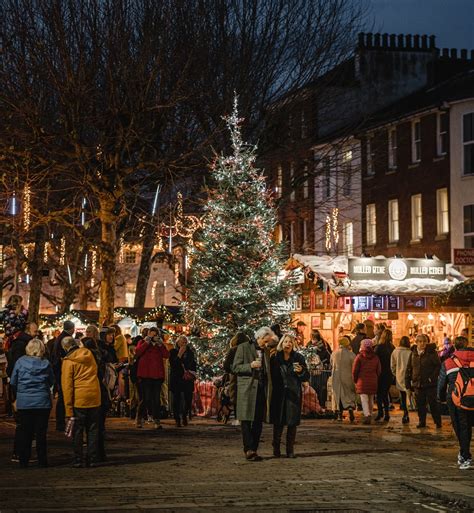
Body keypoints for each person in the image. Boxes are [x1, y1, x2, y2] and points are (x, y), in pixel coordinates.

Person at [232, 326, 277, 461]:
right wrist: (250, 366)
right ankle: (248, 449)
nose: (267, 344)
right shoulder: (244, 347)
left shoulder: (267, 351)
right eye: (266, 341)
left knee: (258, 421)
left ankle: (254, 449)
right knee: (245, 420)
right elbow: (235, 367)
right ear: (260, 338)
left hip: (261, 390)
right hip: (247, 389)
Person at [10, 339, 54, 468]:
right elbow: (51, 381)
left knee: (25, 432)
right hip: (42, 402)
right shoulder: (46, 363)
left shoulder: (20, 362)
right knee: (41, 433)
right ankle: (42, 460)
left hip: (24, 403)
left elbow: (13, 381)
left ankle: (24, 460)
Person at [61, 336, 101, 467]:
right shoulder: (89, 354)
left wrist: (68, 409)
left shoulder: (68, 361)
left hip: (79, 399)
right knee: (93, 429)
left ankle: (78, 459)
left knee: (78, 431)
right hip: (94, 396)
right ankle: (93, 458)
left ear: (65, 348)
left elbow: (67, 387)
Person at [270, 333, 309, 458]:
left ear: (294, 344)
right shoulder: (275, 357)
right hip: (279, 394)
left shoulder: (298, 358)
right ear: (282, 343)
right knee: (279, 422)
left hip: (293, 393)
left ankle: (290, 450)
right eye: (286, 341)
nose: (288, 344)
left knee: (292, 423)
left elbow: (306, 376)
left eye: (290, 342)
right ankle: (276, 447)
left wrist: (301, 371)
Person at [438, 336, 474, 470]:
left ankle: (465, 455)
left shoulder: (448, 362)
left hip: (456, 399)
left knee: (462, 427)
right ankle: (464, 454)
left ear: (455, 347)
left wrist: (440, 398)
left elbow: (442, 384)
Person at [135, 327, 169, 429]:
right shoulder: (142, 342)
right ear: (148, 334)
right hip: (145, 375)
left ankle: (156, 420)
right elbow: (138, 352)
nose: (153, 337)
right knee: (145, 398)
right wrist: (147, 342)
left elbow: (166, 355)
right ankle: (140, 418)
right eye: (151, 334)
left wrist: (161, 344)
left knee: (156, 399)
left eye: (155, 335)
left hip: (157, 376)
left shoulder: (159, 345)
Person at [406, 334, 442, 429]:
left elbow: (438, 366)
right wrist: (408, 383)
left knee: (433, 404)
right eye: (420, 341)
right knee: (420, 405)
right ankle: (422, 422)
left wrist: (432, 377)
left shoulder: (431, 353)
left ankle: (437, 422)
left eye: (424, 341)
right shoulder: (413, 353)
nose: (422, 343)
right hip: (418, 383)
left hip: (430, 384)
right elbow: (409, 368)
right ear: (416, 342)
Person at [51, 320, 75, 431]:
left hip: (59, 371)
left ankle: (60, 422)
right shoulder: (66, 339)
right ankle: (60, 422)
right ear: (72, 329)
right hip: (62, 371)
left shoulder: (59, 338)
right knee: (62, 396)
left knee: (62, 396)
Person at [169, 335, 197, 427]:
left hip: (187, 379)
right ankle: (177, 418)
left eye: (185, 342)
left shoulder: (190, 352)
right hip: (177, 379)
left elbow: (191, 364)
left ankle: (185, 415)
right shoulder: (173, 352)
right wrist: (179, 354)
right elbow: (173, 365)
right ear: (177, 343)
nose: (184, 344)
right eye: (182, 342)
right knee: (176, 399)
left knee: (188, 399)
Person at [352, 339, 381, 424]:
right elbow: (379, 370)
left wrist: (355, 379)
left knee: (364, 399)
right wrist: (375, 377)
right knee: (371, 398)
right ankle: (370, 413)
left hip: (362, 381)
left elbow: (355, 370)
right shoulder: (376, 357)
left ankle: (367, 414)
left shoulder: (359, 357)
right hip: (373, 381)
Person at [330, 337, 356, 422]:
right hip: (348, 377)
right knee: (348, 395)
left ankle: (339, 415)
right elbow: (354, 366)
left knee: (338, 395)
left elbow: (331, 363)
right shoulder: (351, 354)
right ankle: (351, 412)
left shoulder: (334, 354)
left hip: (336, 377)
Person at [374, 328, 395, 422]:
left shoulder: (379, 347)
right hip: (389, 373)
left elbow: (375, 359)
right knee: (385, 393)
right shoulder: (392, 347)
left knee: (379, 394)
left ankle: (380, 413)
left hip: (380, 373)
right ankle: (386, 413)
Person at [391, 336, 412, 424]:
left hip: (399, 376)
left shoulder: (395, 352)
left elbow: (392, 366)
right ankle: (410, 408)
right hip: (409, 377)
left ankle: (405, 413)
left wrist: (396, 373)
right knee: (409, 393)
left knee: (402, 396)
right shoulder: (410, 352)